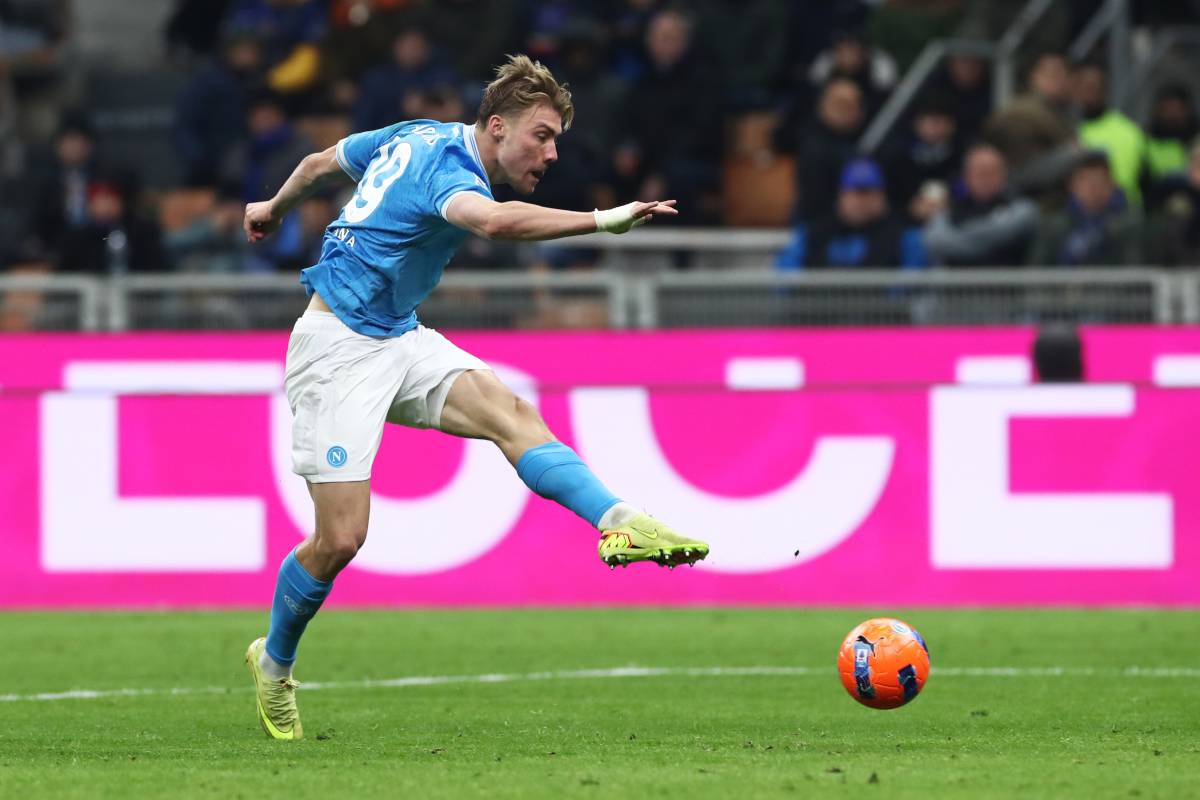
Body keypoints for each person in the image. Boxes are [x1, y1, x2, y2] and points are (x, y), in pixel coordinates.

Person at [241, 55, 709, 740]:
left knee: (510, 412)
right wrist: (605, 220)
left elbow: (318, 163)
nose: (550, 152)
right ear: (496, 126)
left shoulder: (412, 133)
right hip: (335, 349)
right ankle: (273, 662)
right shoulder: (449, 174)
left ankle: (620, 520)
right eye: (541, 136)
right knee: (340, 539)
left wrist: (270, 206)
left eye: (556, 140)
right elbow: (494, 223)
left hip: (398, 336)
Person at [778, 158, 926, 269]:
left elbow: (912, 281)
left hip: (882, 310)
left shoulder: (903, 235)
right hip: (817, 309)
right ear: (841, 197)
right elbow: (785, 274)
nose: (862, 201)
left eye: (869, 193)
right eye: (856, 193)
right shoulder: (814, 231)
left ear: (882, 197)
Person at [923, 144, 1037, 267]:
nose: (986, 178)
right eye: (980, 172)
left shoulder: (1021, 208)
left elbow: (1000, 233)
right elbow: (936, 240)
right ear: (966, 175)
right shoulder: (948, 210)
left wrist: (960, 235)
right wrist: (983, 242)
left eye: (992, 172)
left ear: (1004, 174)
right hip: (955, 284)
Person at [1030, 151, 1144, 266]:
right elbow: (1037, 270)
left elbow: (1132, 270)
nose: (1092, 188)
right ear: (1073, 185)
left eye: (1099, 182)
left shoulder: (1129, 225)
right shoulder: (1054, 225)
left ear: (1111, 184)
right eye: (1086, 181)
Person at [352, 27, 459, 133]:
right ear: (396, 46)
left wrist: (427, 108)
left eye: (419, 46)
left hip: (433, 137)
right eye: (409, 46)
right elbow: (364, 120)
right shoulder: (378, 78)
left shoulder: (440, 74)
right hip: (387, 139)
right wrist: (401, 110)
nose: (413, 51)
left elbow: (454, 108)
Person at [1074, 61, 1148, 207]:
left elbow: (1143, 181)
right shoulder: (1060, 128)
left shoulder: (1129, 132)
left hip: (1123, 215)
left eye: (1094, 86)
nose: (1089, 92)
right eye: (1083, 86)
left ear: (1105, 89)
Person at [880, 91, 963, 221]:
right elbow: (885, 200)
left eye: (945, 121)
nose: (939, 127)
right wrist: (910, 209)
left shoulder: (964, 156)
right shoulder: (896, 157)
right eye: (933, 121)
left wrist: (952, 205)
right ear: (917, 122)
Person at [796, 78, 864, 220]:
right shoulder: (814, 147)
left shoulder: (866, 139)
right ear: (823, 106)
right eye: (842, 105)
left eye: (855, 104)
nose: (851, 111)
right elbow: (816, 202)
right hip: (820, 225)